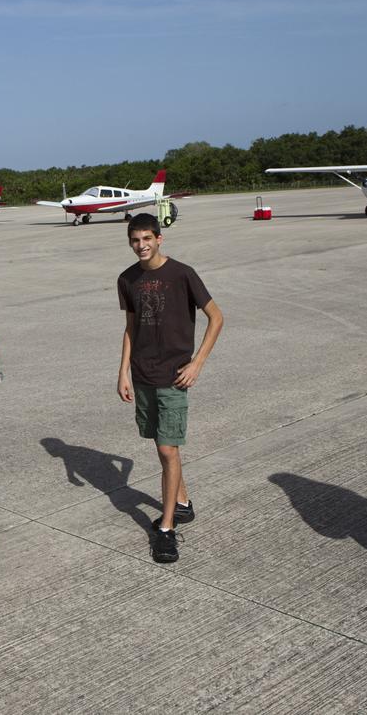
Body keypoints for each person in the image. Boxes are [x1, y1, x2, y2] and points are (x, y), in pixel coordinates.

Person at [116, 213, 223, 564]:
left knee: (166, 451)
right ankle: (183, 503)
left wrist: (197, 363)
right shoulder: (127, 279)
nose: (141, 246)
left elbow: (216, 317)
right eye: (135, 240)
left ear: (160, 238)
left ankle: (166, 529)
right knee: (163, 447)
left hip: (174, 376)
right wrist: (122, 372)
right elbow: (130, 327)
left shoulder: (182, 274)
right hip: (142, 375)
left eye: (147, 238)